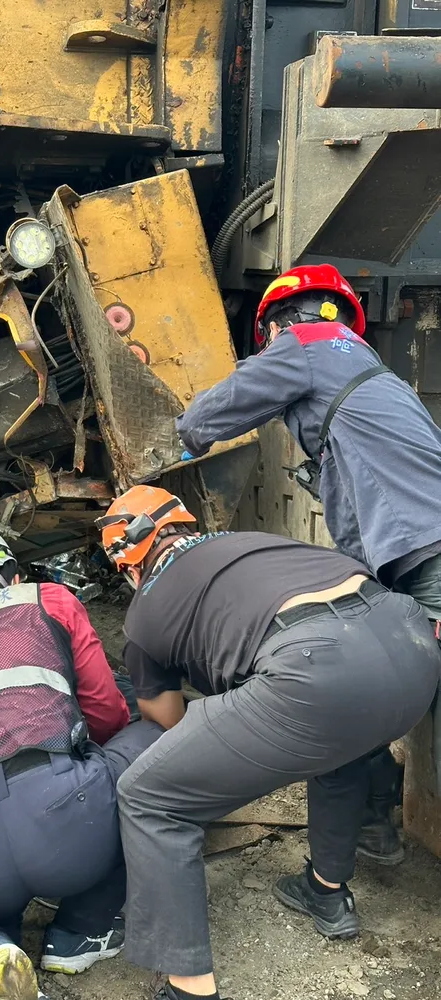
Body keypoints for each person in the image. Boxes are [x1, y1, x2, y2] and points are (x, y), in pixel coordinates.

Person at [97, 486, 440, 1000]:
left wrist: (229, 721)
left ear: (127, 564)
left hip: (316, 673)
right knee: (336, 744)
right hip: (412, 651)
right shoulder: (254, 542)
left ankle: (189, 988)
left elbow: (165, 714)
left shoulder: (146, 610)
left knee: (150, 797)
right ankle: (326, 893)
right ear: (188, 524)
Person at [176, 263, 441, 862]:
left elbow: (212, 413)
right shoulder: (374, 372)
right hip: (419, 546)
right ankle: (377, 823)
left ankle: (378, 829)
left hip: (426, 551)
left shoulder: (307, 341)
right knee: (387, 678)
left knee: (375, 686)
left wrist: (179, 435)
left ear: (277, 321)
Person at [0, 518, 162, 1000]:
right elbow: (106, 711)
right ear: (13, 576)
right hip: (66, 828)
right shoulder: (49, 600)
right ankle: (79, 932)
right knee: (151, 740)